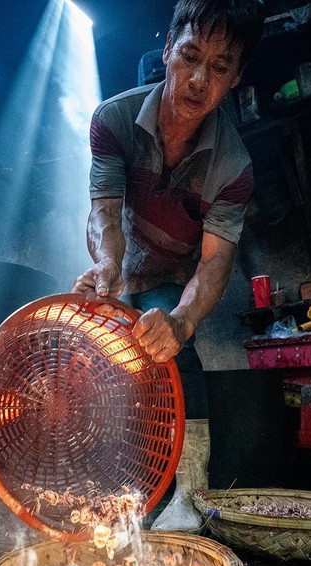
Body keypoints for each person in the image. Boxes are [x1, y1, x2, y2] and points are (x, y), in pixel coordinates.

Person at [72, 0, 264, 530]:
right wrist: (106, 267)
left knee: (172, 356)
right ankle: (109, 492)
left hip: (170, 282)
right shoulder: (113, 120)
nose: (199, 79)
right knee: (98, 370)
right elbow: (103, 213)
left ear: (235, 78)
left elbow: (214, 263)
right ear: (168, 51)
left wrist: (182, 322)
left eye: (220, 67)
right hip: (121, 266)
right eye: (190, 56)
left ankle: (190, 495)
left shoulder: (234, 167)